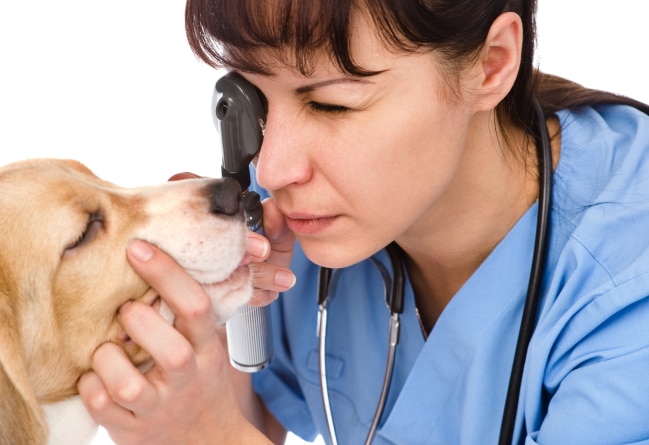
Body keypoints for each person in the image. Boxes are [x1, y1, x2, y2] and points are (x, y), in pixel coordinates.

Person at [77, 1, 649, 443]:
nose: (272, 168)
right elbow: (253, 413)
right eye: (257, 97)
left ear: (492, 64)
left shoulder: (629, 294)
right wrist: (203, 339)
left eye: (332, 105)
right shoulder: (296, 226)